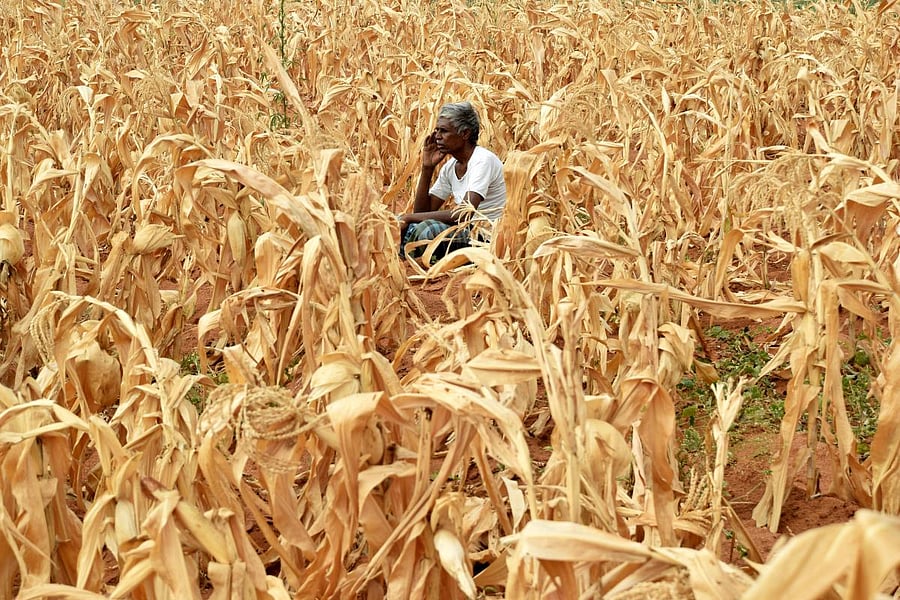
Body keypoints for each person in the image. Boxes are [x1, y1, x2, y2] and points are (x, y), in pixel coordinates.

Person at [398, 101, 506, 262]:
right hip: (463, 231)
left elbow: (464, 213)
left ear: (465, 134)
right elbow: (421, 212)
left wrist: (409, 218)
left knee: (426, 230)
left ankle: (409, 263)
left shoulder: (482, 161)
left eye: (444, 131)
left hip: (484, 238)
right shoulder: (450, 167)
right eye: (436, 130)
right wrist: (427, 168)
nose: (437, 136)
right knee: (395, 224)